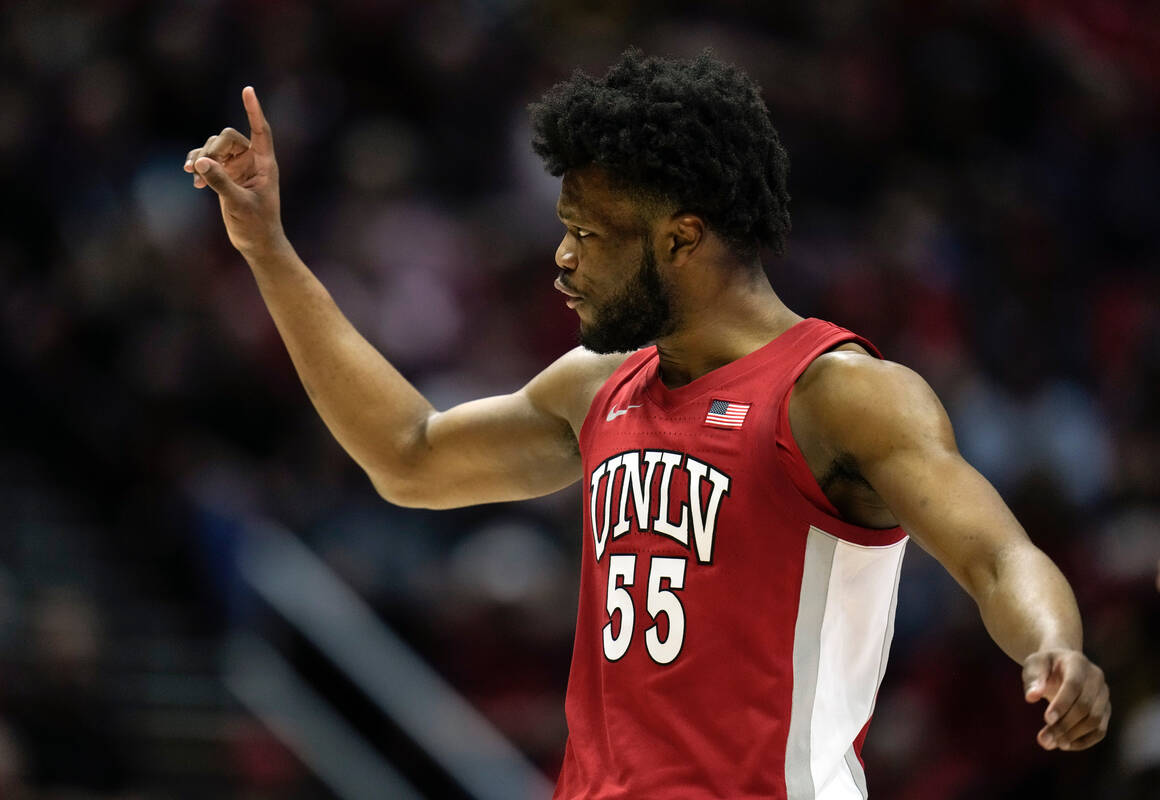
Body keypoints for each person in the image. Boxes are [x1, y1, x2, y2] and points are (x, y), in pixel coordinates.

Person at [185, 50, 1110, 799]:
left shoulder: (839, 393)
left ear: (680, 236)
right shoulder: (597, 387)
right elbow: (409, 457)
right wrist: (269, 252)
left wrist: (1052, 646)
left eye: (588, 233)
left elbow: (995, 556)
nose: (559, 258)